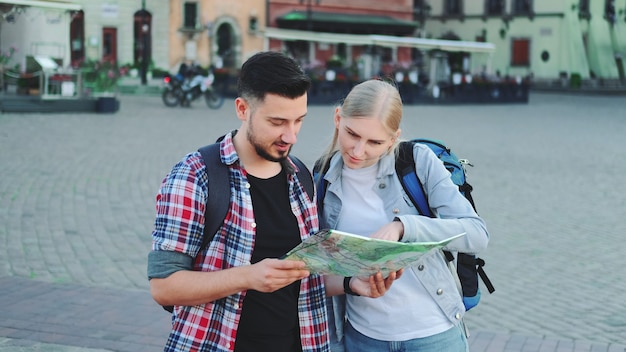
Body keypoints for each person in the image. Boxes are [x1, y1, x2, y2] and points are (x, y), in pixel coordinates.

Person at [147, 52, 397, 352]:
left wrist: (350, 283)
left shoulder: (301, 177)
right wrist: (248, 277)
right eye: (277, 122)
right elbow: (164, 287)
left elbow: (304, 277)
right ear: (243, 109)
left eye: (298, 121)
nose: (290, 136)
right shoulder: (195, 176)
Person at [316, 79, 490, 352]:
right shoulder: (322, 178)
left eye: (375, 142)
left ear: (394, 138)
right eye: (352, 134)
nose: (358, 151)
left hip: (434, 336)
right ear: (338, 118)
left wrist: (404, 227)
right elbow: (317, 271)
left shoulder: (416, 161)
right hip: (363, 339)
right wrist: (351, 283)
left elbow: (477, 234)